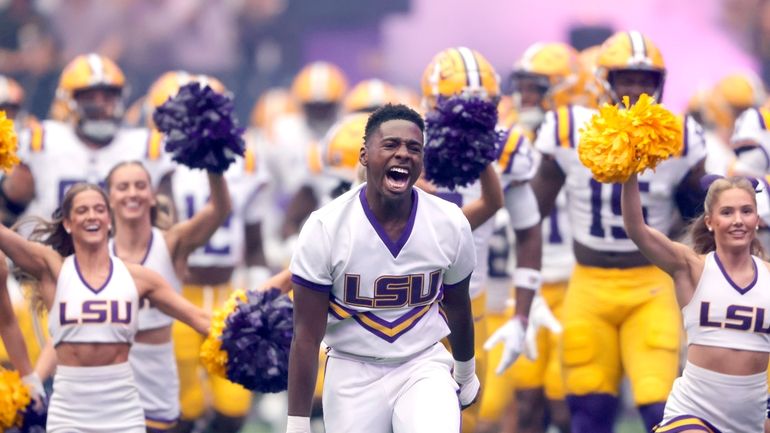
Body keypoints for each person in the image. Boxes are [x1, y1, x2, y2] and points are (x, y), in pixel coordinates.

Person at [528, 30, 707, 432]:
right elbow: (533, 211)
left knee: (658, 407)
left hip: (650, 282)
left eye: (646, 80)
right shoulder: (567, 126)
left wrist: (716, 186)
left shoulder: (680, 133)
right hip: (588, 285)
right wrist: (527, 283)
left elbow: (696, 204)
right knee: (588, 410)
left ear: (660, 84)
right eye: (627, 78)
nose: (636, 89)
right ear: (605, 79)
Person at [285, 104, 478, 433]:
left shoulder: (448, 222)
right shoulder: (325, 227)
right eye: (390, 145)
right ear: (364, 155)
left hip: (422, 363)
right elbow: (306, 334)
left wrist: (465, 371)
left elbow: (458, 304)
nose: (403, 154)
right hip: (351, 367)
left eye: (413, 148)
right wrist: (298, 422)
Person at [0, 183, 209, 432]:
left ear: (109, 219)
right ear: (67, 223)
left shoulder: (139, 278)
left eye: (99, 209)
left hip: (123, 411)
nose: (92, 216)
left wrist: (248, 324)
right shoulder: (52, 269)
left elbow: (199, 318)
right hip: (69, 412)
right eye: (82, 210)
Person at [622, 174, 769, 432]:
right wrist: (629, 174)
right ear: (710, 221)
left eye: (746, 211)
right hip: (692, 411)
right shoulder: (691, 267)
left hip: (751, 419)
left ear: (757, 219)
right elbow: (637, 229)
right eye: (727, 212)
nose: (737, 220)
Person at [106, 161, 231, 433]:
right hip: (109, 373)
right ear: (110, 197)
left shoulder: (171, 242)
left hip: (157, 376)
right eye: (123, 187)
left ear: (152, 195)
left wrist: (213, 162)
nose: (132, 193)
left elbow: (219, 211)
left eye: (140, 186)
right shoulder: (97, 250)